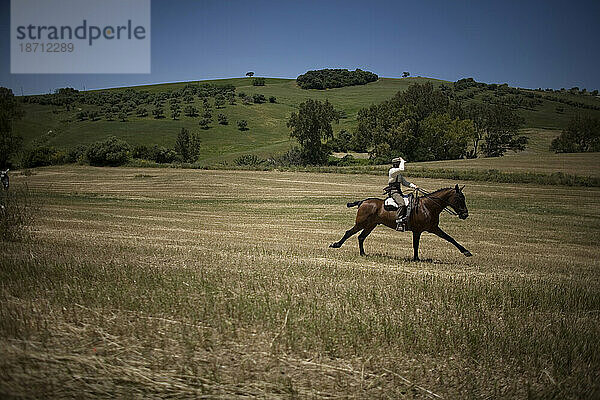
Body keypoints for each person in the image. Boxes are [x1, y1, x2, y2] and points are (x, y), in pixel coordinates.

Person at [387, 157, 418, 231]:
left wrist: (414, 186)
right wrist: (402, 161)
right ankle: (399, 221)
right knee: (402, 204)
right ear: (396, 164)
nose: (399, 164)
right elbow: (402, 169)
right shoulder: (392, 171)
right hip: (393, 192)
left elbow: (405, 183)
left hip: (399, 191)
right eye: (398, 163)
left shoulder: (399, 175)